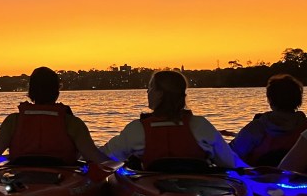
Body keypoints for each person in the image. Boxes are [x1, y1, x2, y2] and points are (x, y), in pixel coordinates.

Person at [102, 69, 246, 170]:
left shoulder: (136, 129)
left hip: (154, 192)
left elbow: (105, 156)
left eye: (151, 87)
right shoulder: (201, 126)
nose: (147, 92)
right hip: (199, 191)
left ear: (160, 94)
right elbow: (229, 163)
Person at [0, 66, 108, 167]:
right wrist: (119, 164)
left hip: (20, 180)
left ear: (30, 92)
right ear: (57, 91)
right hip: (62, 179)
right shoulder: (72, 123)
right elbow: (95, 158)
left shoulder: (13, 121)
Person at [229, 75, 307, 166]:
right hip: (296, 178)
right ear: (299, 100)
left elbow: (228, 155)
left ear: (270, 100)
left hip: (258, 178)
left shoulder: (256, 129)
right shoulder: (305, 129)